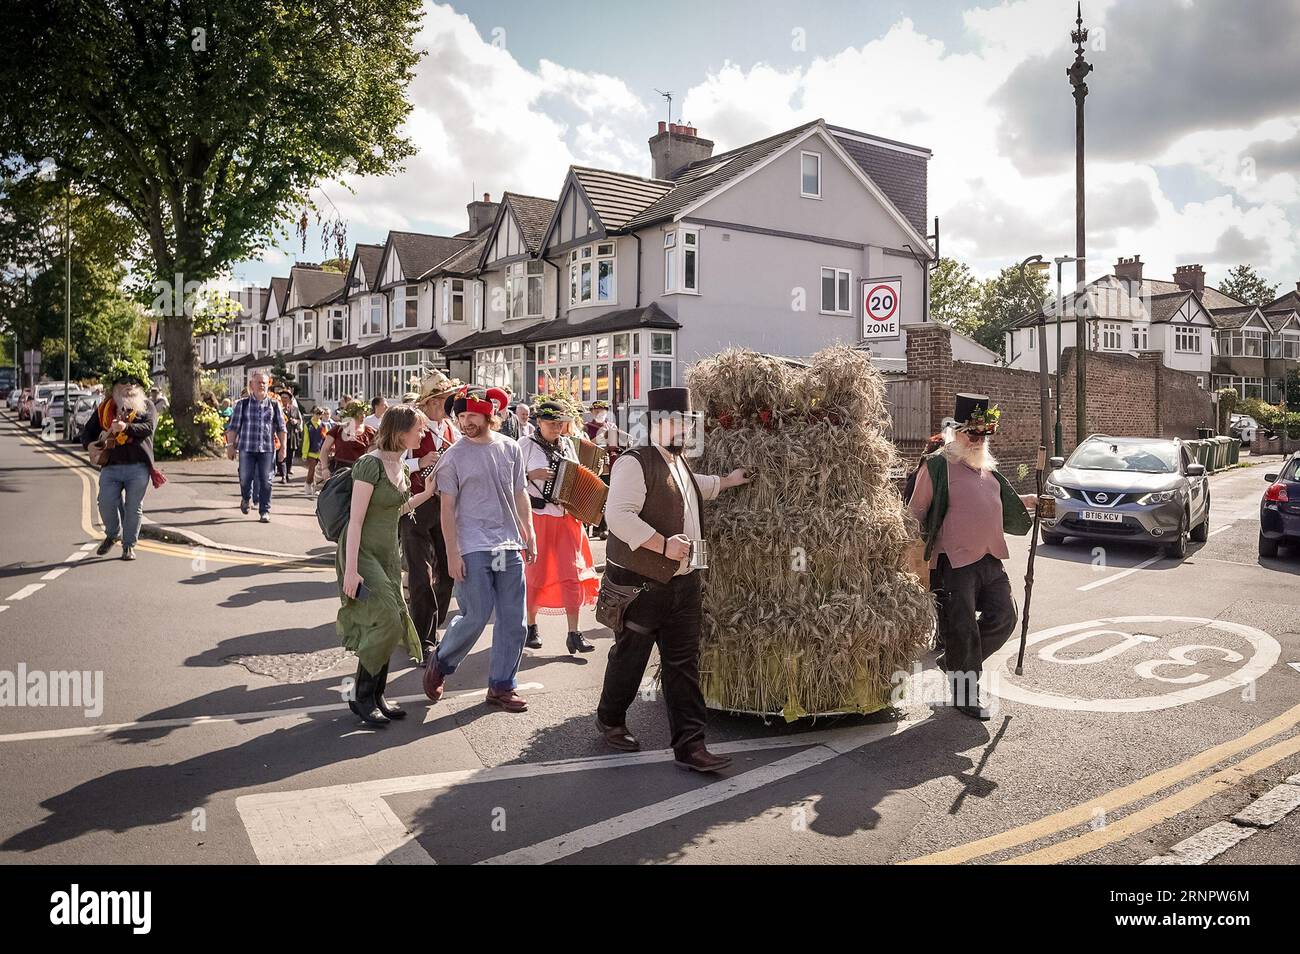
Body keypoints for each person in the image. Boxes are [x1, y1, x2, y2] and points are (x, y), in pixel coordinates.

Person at [596, 387, 750, 772]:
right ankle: (610, 718)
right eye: (677, 422)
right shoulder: (634, 462)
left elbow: (692, 485)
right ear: (657, 424)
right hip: (641, 586)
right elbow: (619, 517)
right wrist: (663, 546)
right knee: (629, 660)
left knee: (683, 664)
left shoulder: (678, 462)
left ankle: (690, 746)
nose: (684, 429)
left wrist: (728, 481)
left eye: (686, 422)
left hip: (683, 585)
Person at [907, 393, 1036, 720]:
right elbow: (914, 513)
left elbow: (989, 502)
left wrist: (1029, 501)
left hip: (990, 559)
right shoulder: (937, 466)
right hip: (953, 564)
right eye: (972, 434)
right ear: (956, 432)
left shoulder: (986, 469)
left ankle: (954, 661)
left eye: (983, 435)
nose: (978, 440)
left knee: (1005, 618)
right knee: (962, 628)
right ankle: (965, 691)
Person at [422, 386, 535, 712]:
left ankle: (501, 687)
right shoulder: (452, 458)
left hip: (508, 545)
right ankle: (441, 661)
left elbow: (520, 493)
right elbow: (446, 510)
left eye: (471, 414)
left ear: (489, 414)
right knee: (476, 615)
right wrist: (452, 554)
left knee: (515, 620)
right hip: (472, 545)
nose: (464, 421)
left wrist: (529, 531)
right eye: (460, 415)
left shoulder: (511, 448)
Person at [338, 404, 437, 727]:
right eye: (418, 429)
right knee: (387, 621)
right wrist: (351, 570)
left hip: (388, 554)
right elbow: (355, 521)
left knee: (392, 619)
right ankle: (362, 695)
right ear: (399, 432)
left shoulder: (402, 468)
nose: (422, 434)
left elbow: (397, 509)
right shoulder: (370, 465)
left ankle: (374, 695)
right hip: (363, 552)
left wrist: (429, 493)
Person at [521, 398, 600, 653]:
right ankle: (531, 626)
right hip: (539, 517)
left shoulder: (567, 445)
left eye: (560, 423)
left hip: (567, 518)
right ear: (539, 422)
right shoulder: (525, 445)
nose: (557, 428)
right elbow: (508, 481)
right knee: (537, 573)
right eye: (552, 423)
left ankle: (574, 633)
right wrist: (530, 475)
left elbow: (575, 476)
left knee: (572, 575)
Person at [401, 370, 462, 659]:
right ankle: (425, 638)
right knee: (420, 576)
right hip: (414, 506)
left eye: (446, 399)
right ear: (427, 402)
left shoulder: (453, 429)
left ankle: (431, 624)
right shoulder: (410, 423)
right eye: (439, 400)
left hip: (445, 507)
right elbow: (391, 458)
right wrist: (419, 461)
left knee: (449, 573)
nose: (444, 405)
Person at [80, 363, 157, 561]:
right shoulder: (105, 408)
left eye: (134, 382)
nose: (130, 385)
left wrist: (126, 427)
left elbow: (148, 428)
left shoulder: (147, 406)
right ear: (114, 386)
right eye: (124, 382)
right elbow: (86, 432)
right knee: (104, 502)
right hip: (111, 466)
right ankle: (113, 534)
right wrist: (88, 445)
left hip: (138, 467)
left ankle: (129, 545)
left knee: (133, 507)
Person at [224, 371, 287, 523]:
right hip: (247, 448)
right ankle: (246, 498)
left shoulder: (274, 405)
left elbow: (281, 428)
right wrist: (230, 446)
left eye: (264, 383)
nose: (261, 385)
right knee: (245, 478)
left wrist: (283, 447)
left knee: (266, 480)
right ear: (251, 385)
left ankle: (264, 510)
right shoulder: (242, 404)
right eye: (258, 382)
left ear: (268, 385)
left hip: (267, 449)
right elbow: (233, 427)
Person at [585, 400, 619, 540]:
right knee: (592, 497)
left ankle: (603, 528)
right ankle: (591, 528)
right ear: (592, 412)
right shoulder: (586, 427)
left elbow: (615, 446)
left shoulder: (611, 426)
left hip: (608, 465)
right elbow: (585, 445)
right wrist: (600, 436)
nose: (600, 413)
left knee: (606, 497)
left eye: (602, 411)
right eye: (597, 411)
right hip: (592, 464)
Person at [318, 400, 373, 482]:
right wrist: (325, 468)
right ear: (351, 414)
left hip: (362, 474)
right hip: (341, 473)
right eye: (360, 413)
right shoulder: (338, 429)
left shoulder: (371, 432)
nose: (363, 416)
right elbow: (325, 449)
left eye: (364, 412)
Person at [277, 389, 304, 484]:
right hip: (279, 437)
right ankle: (283, 475)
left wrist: (296, 421)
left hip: (291, 436)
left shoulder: (295, 409)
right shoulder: (277, 408)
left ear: (289, 399)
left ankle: (287, 473)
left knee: (289, 456)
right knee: (280, 456)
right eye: (282, 397)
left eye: (286, 398)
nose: (284, 399)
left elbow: (300, 421)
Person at [303, 407, 328, 496]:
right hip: (311, 451)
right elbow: (306, 440)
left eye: (320, 414)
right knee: (312, 470)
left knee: (320, 471)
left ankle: (317, 487)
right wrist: (304, 454)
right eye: (316, 413)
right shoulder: (308, 425)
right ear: (313, 413)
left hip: (320, 451)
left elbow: (326, 438)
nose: (318, 416)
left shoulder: (323, 425)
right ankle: (308, 484)